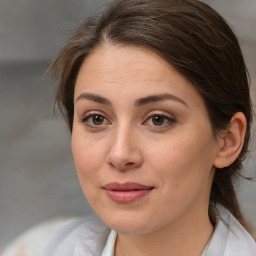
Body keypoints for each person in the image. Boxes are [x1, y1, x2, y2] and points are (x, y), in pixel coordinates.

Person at [41, 0, 256, 255]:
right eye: (96, 119)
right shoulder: (50, 247)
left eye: (158, 119)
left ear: (227, 141)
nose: (120, 155)